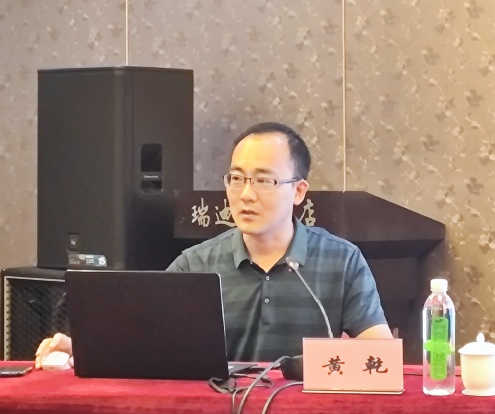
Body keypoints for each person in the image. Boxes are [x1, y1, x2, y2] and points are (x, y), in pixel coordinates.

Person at [35, 122, 392, 368]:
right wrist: (81, 349)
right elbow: (142, 344)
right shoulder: (196, 265)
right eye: (236, 178)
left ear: (298, 191)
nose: (246, 194)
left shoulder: (342, 260)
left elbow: (379, 356)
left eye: (263, 181)